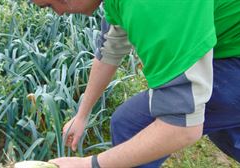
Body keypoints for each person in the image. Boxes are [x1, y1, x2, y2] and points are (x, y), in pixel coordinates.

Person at [32, 0, 240, 167]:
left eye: (50, 5)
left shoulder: (153, 6)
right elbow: (110, 49)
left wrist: (90, 164)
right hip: (230, 45)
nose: (58, 12)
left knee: (130, 124)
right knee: (225, 126)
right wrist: (82, 115)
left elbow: (182, 126)